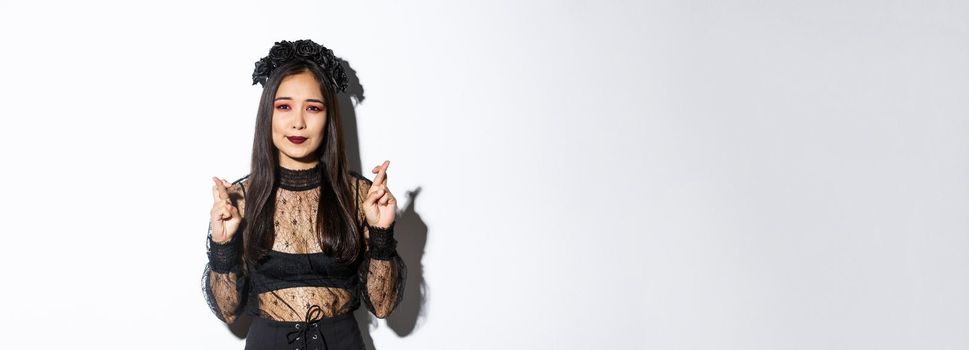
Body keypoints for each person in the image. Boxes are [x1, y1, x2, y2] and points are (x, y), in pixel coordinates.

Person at [201, 39, 406, 350]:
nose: (298, 121)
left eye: (313, 107)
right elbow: (228, 310)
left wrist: (382, 233)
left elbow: (383, 306)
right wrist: (222, 244)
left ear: (329, 118)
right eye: (284, 106)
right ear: (266, 114)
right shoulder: (240, 198)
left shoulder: (359, 195)